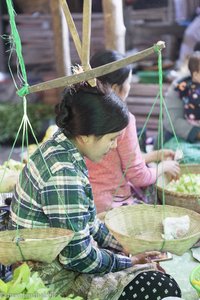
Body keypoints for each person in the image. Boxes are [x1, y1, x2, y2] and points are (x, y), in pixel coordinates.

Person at [9, 83, 181, 299]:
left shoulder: (61, 146)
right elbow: (78, 258)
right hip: (49, 279)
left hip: (62, 262)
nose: (115, 145)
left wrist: (126, 246)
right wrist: (130, 261)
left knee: (154, 275)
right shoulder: (63, 174)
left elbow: (90, 222)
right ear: (85, 136)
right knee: (162, 287)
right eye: (111, 138)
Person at [85, 50, 180, 213]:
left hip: (87, 202)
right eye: (129, 82)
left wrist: (154, 155)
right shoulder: (123, 120)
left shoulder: (83, 113)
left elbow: (110, 162)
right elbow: (138, 177)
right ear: (115, 88)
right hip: (113, 206)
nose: (130, 86)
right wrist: (164, 166)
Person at [162, 51, 200, 164]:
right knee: (183, 155)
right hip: (180, 139)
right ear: (195, 73)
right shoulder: (180, 87)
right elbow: (172, 121)